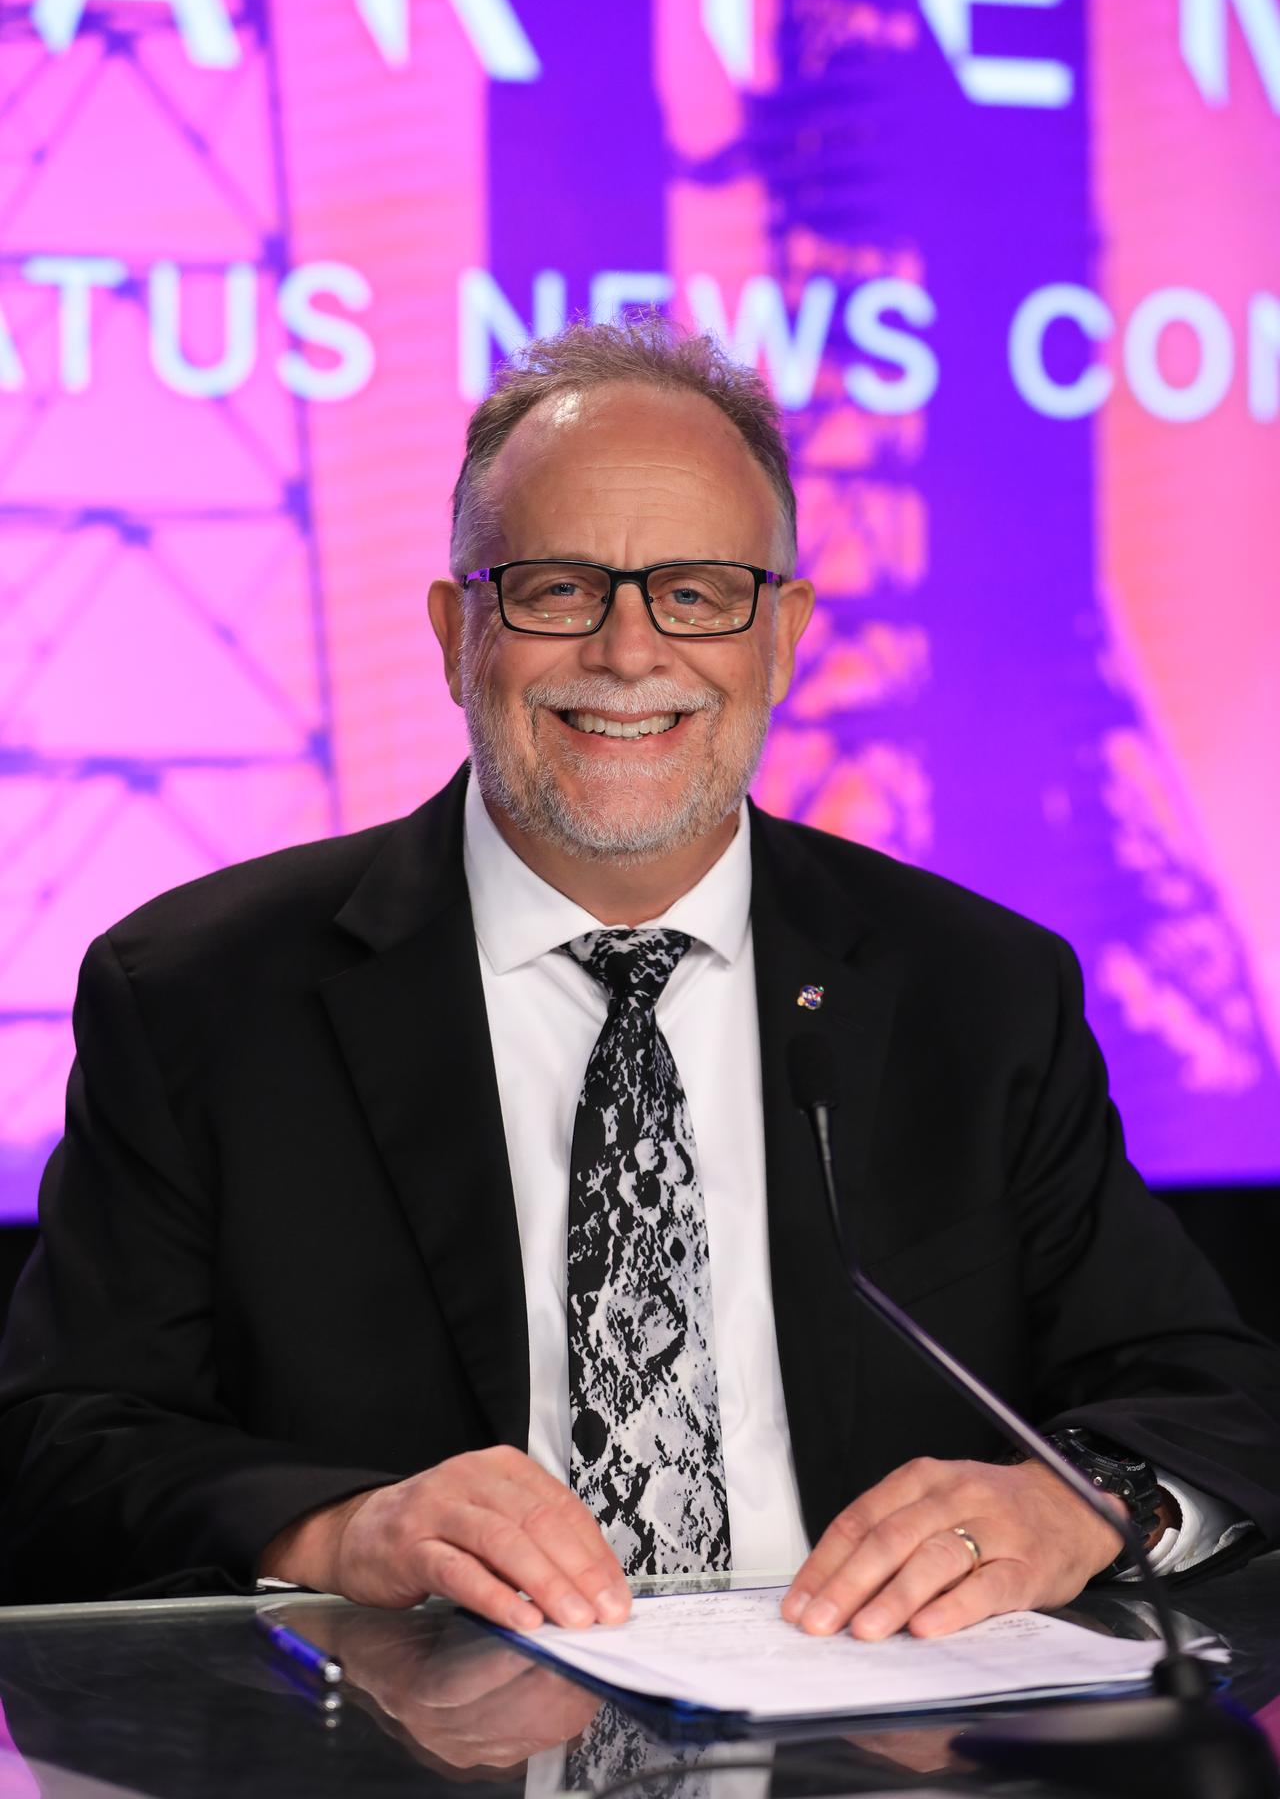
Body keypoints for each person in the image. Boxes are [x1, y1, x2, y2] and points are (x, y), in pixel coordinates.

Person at [1, 321, 1277, 1642]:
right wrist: (334, 1529)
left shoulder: (978, 991)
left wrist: (1083, 1506)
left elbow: (1209, 1395)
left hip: (890, 1753)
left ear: (780, 636)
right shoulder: (201, 996)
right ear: (456, 634)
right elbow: (61, 1446)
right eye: (557, 588)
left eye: (700, 591)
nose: (626, 651)